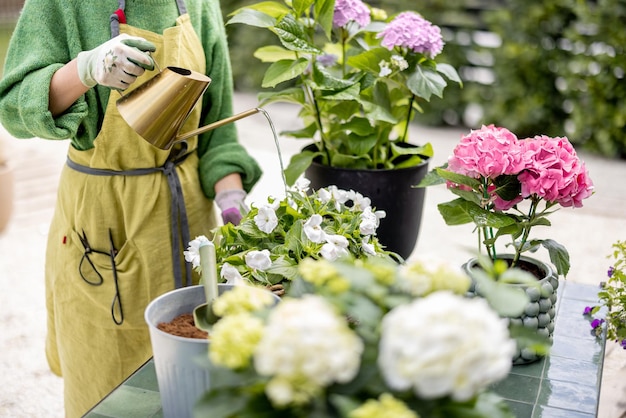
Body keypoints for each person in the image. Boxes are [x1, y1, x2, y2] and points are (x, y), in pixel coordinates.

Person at [0, 0, 262, 416]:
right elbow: (13, 107)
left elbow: (220, 131)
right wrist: (84, 71)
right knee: (107, 384)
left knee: (198, 384)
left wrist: (232, 198)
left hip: (189, 226)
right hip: (103, 226)